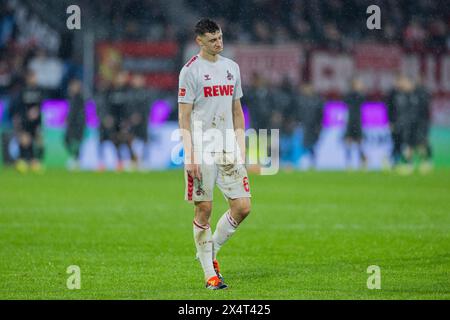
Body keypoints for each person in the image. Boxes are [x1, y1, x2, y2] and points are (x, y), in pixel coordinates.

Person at [178, 18, 251, 290]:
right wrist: (189, 154)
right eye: (212, 40)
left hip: (227, 146)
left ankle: (210, 250)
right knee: (205, 208)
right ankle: (210, 275)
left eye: (220, 37)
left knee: (243, 207)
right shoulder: (190, 71)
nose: (218, 43)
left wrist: (240, 143)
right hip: (201, 145)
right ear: (199, 41)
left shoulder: (232, 68)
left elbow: (236, 110)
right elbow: (183, 116)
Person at [10, 70, 45, 173]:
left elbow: (41, 104)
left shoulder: (39, 90)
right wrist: (25, 114)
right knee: (25, 140)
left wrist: (37, 111)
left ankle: (35, 161)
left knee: (38, 141)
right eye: (33, 77)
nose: (35, 79)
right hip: (26, 121)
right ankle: (22, 161)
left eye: (35, 77)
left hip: (37, 122)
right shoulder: (23, 91)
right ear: (28, 78)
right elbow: (19, 106)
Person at [296, 82, 323, 168]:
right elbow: (296, 112)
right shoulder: (300, 100)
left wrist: (319, 125)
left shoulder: (317, 100)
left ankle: (311, 160)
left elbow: (320, 114)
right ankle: (299, 161)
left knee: (311, 144)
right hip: (303, 125)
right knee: (302, 143)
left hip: (313, 126)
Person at [343, 78, 367, 169]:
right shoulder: (349, 95)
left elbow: (363, 100)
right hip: (350, 120)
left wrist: (360, 91)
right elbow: (344, 101)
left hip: (357, 121)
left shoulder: (360, 95)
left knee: (359, 142)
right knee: (348, 141)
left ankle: (362, 161)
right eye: (359, 84)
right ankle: (348, 162)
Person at [64, 78, 85, 170]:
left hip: (77, 124)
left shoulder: (80, 98)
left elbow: (78, 112)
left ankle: (76, 160)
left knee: (75, 142)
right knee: (68, 140)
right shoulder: (71, 97)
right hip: (73, 124)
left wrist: (71, 120)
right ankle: (75, 159)